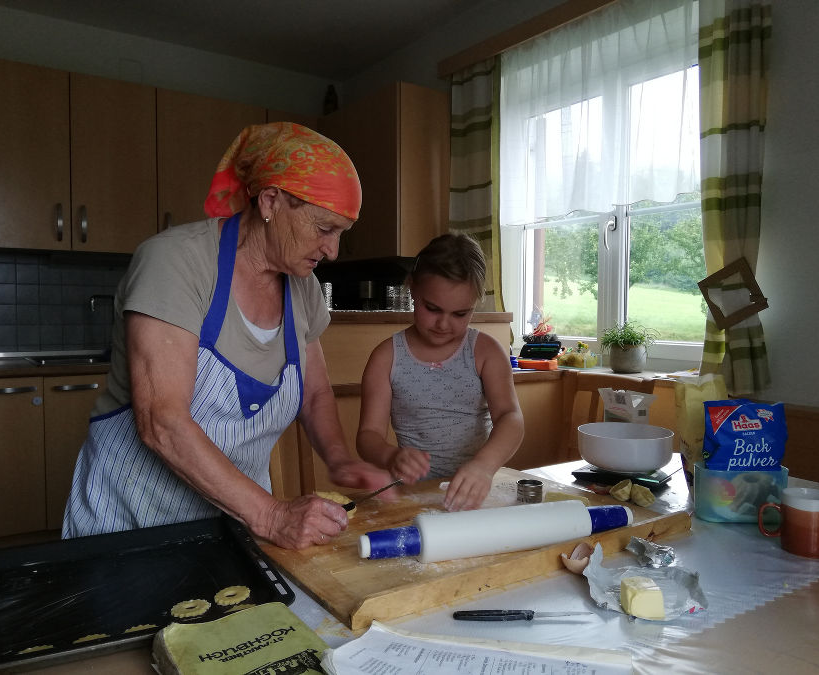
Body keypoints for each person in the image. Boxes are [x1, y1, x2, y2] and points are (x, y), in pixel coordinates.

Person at [63, 122, 393, 549]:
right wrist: (271, 516)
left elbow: (314, 396)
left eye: (341, 234)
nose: (332, 250)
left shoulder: (304, 289)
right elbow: (162, 422)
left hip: (232, 525)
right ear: (271, 200)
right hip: (131, 526)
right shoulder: (176, 262)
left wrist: (340, 459)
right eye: (324, 228)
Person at [356, 234, 524, 511]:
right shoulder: (386, 357)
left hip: (476, 493)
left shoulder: (485, 352)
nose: (444, 324)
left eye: (460, 314)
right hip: (413, 496)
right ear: (412, 289)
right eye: (432, 308)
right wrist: (390, 456)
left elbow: (511, 418)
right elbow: (368, 436)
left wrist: (484, 466)